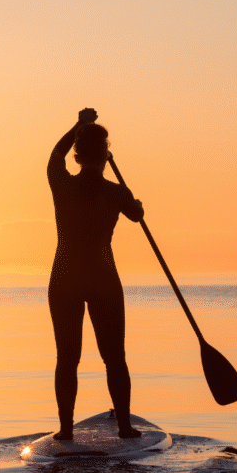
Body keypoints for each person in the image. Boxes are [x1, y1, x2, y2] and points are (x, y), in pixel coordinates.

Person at [47, 108, 144, 440]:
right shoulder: (116, 192)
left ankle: (64, 430)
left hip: (65, 278)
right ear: (105, 156)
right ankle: (126, 429)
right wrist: (136, 203)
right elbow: (135, 214)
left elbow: (54, 155)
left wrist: (79, 125)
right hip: (102, 278)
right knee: (114, 357)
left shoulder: (61, 183)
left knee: (67, 357)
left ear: (77, 156)